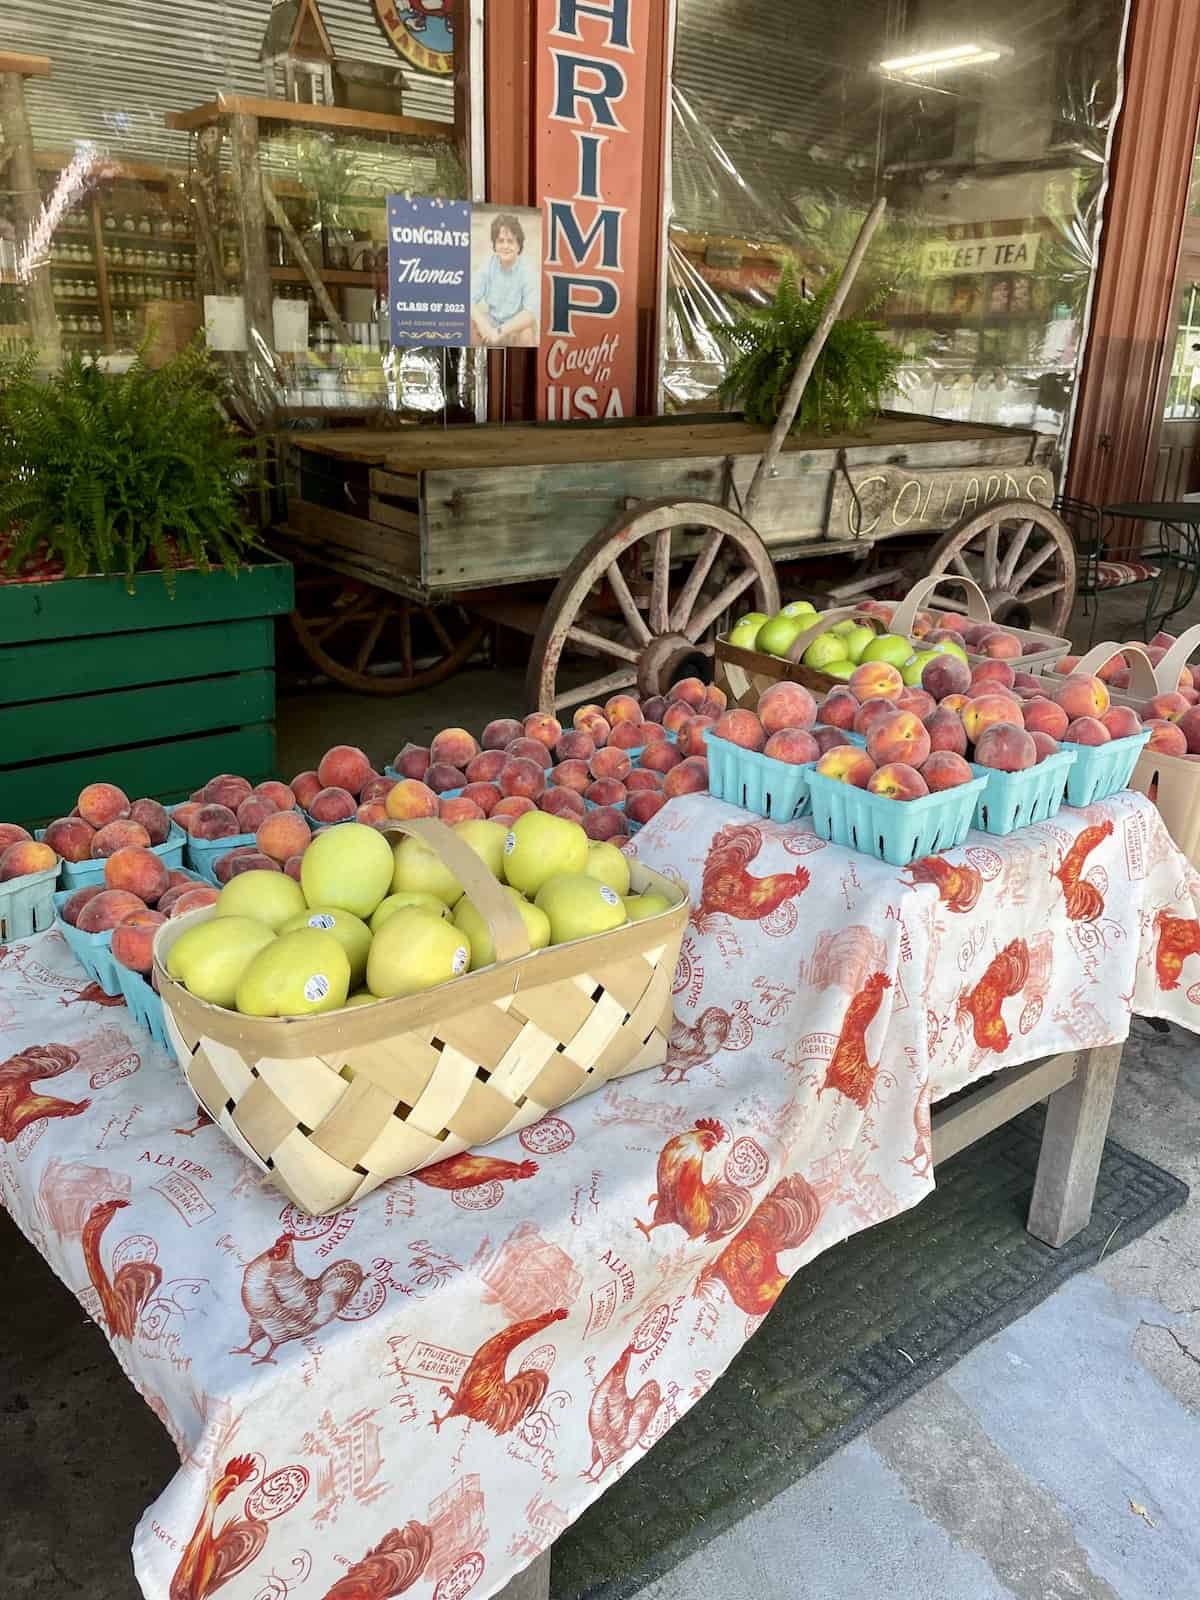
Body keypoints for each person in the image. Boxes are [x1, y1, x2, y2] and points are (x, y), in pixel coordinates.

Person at [471, 213, 538, 347]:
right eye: (501, 241)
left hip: (516, 327)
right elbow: (467, 299)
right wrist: (485, 326)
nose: (505, 246)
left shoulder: (527, 269)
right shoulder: (488, 264)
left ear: (519, 246)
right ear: (494, 245)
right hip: (493, 323)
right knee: (469, 324)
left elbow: (530, 314)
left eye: (511, 241)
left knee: (527, 332)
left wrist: (499, 332)